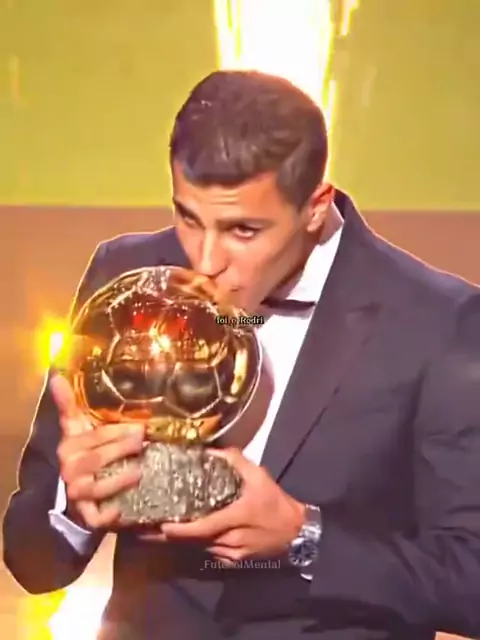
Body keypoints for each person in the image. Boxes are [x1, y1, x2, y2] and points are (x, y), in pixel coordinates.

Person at [4, 70, 480, 640]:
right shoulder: (127, 280)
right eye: (188, 217)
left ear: (315, 205)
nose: (205, 262)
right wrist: (75, 509)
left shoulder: (438, 321)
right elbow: (30, 558)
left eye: (243, 230)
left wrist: (304, 537)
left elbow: (470, 582)